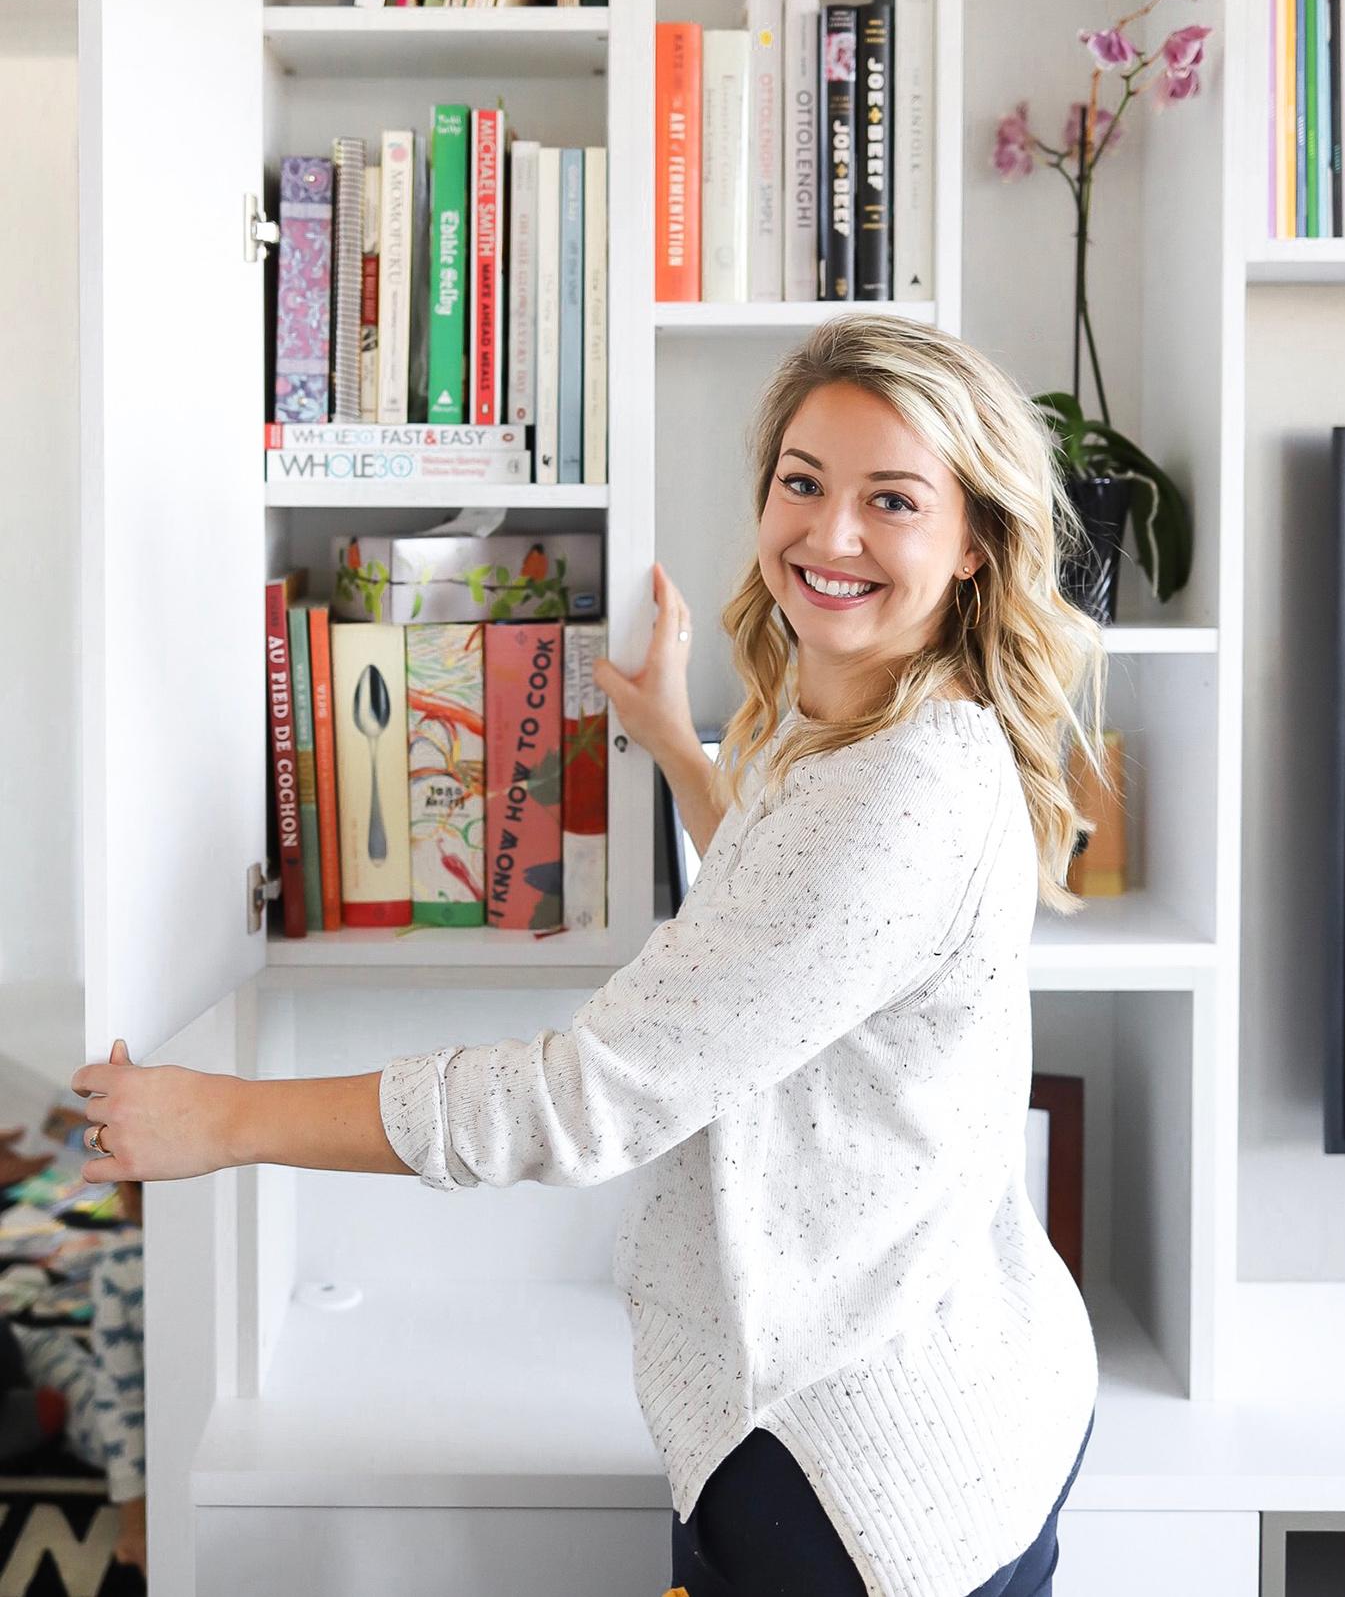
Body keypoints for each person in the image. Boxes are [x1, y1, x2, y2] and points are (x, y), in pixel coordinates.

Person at [71, 315, 1110, 1597]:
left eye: (889, 501)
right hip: (962, 1390)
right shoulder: (866, 720)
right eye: (802, 481)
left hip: (848, 1471)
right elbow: (792, 946)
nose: (826, 536)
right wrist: (684, 749)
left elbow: (588, 1098)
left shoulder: (896, 796)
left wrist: (222, 1121)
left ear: (970, 547)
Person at [1, 1177, 146, 1581]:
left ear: (130, 1195)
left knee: (47, 1350)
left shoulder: (122, 1264)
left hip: (127, 1441)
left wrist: (136, 1524)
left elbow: (121, 1402)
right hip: (162, 1443)